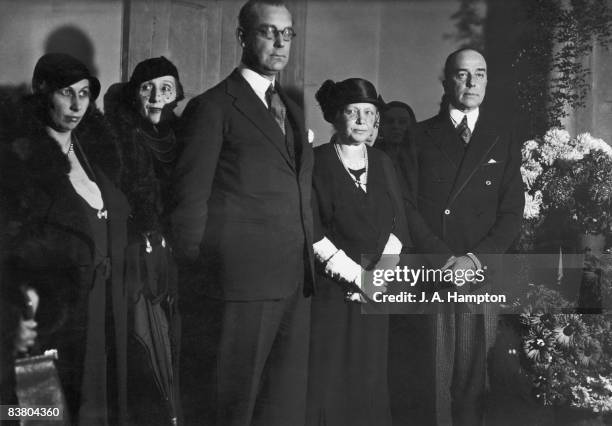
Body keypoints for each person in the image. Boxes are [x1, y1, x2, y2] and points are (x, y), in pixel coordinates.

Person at [170, 1, 314, 424]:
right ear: (242, 37)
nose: (279, 43)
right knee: (230, 408)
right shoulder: (213, 107)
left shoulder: (291, 107)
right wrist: (201, 278)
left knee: (279, 409)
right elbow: (188, 201)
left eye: (287, 34)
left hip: (293, 282)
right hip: (238, 285)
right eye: (269, 32)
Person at [0, 53, 130, 425]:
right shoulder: (17, 161)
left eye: (85, 94)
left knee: (96, 406)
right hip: (50, 316)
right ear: (42, 92)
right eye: (65, 93)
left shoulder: (96, 154)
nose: (77, 105)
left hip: (103, 309)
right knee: (40, 412)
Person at [396, 48, 524, 426]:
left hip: (480, 271)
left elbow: (511, 213)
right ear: (446, 80)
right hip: (436, 270)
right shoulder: (418, 136)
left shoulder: (502, 138)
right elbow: (404, 206)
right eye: (462, 74)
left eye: (480, 74)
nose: (471, 83)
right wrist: (443, 258)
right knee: (433, 376)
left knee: (474, 380)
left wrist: (475, 260)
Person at [306, 78, 409, 426]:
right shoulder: (316, 161)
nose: (362, 120)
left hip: (377, 290)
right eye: (353, 112)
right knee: (331, 375)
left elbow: (399, 223)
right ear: (336, 117)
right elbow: (311, 228)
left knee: (370, 375)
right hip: (332, 292)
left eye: (369, 113)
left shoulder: (383, 162)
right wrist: (356, 277)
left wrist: (380, 275)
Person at [104, 56, 184, 425]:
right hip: (136, 260)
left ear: (177, 93)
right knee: (143, 346)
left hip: (179, 260)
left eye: (165, 88)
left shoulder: (185, 135)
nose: (156, 97)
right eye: (147, 88)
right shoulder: (115, 136)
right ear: (134, 93)